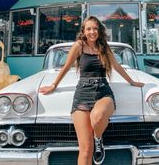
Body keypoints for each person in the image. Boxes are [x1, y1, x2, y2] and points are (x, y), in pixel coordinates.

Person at [39, 16, 145, 165]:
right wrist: (54, 85)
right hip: (82, 93)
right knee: (86, 150)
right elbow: (66, 66)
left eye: (95, 28)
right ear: (84, 31)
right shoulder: (79, 46)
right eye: (88, 29)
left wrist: (132, 82)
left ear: (99, 31)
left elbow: (117, 66)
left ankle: (98, 137)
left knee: (98, 116)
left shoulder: (104, 47)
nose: (92, 32)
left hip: (103, 90)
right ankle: (94, 143)